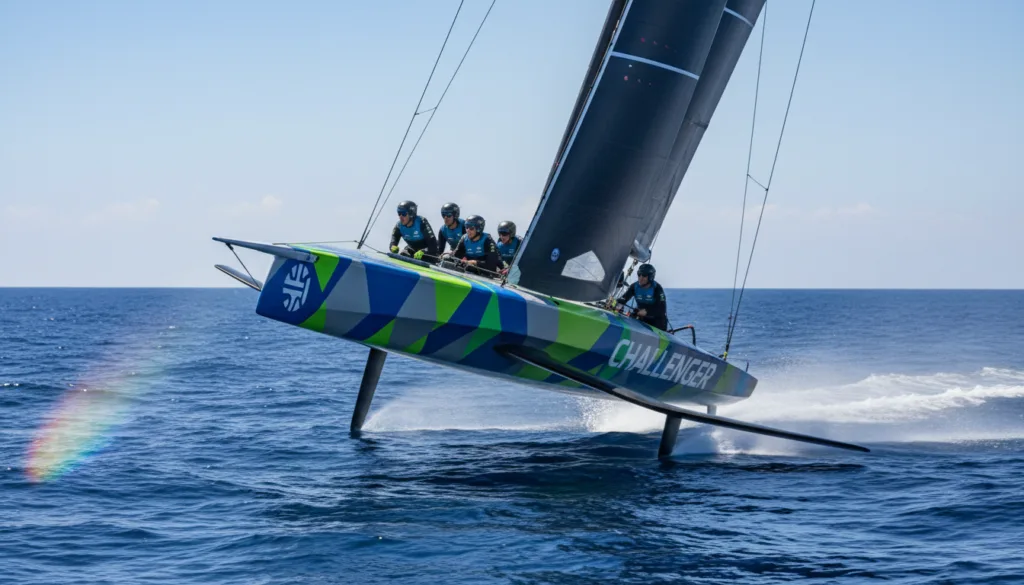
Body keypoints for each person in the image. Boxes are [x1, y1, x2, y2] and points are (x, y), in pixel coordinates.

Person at [613, 263, 668, 331]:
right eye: (639, 274)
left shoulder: (657, 288)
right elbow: (623, 299)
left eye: (644, 275)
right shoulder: (634, 286)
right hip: (642, 318)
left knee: (659, 320)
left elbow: (662, 310)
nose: (641, 278)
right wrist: (616, 303)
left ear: (650, 277)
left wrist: (647, 312)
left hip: (657, 321)